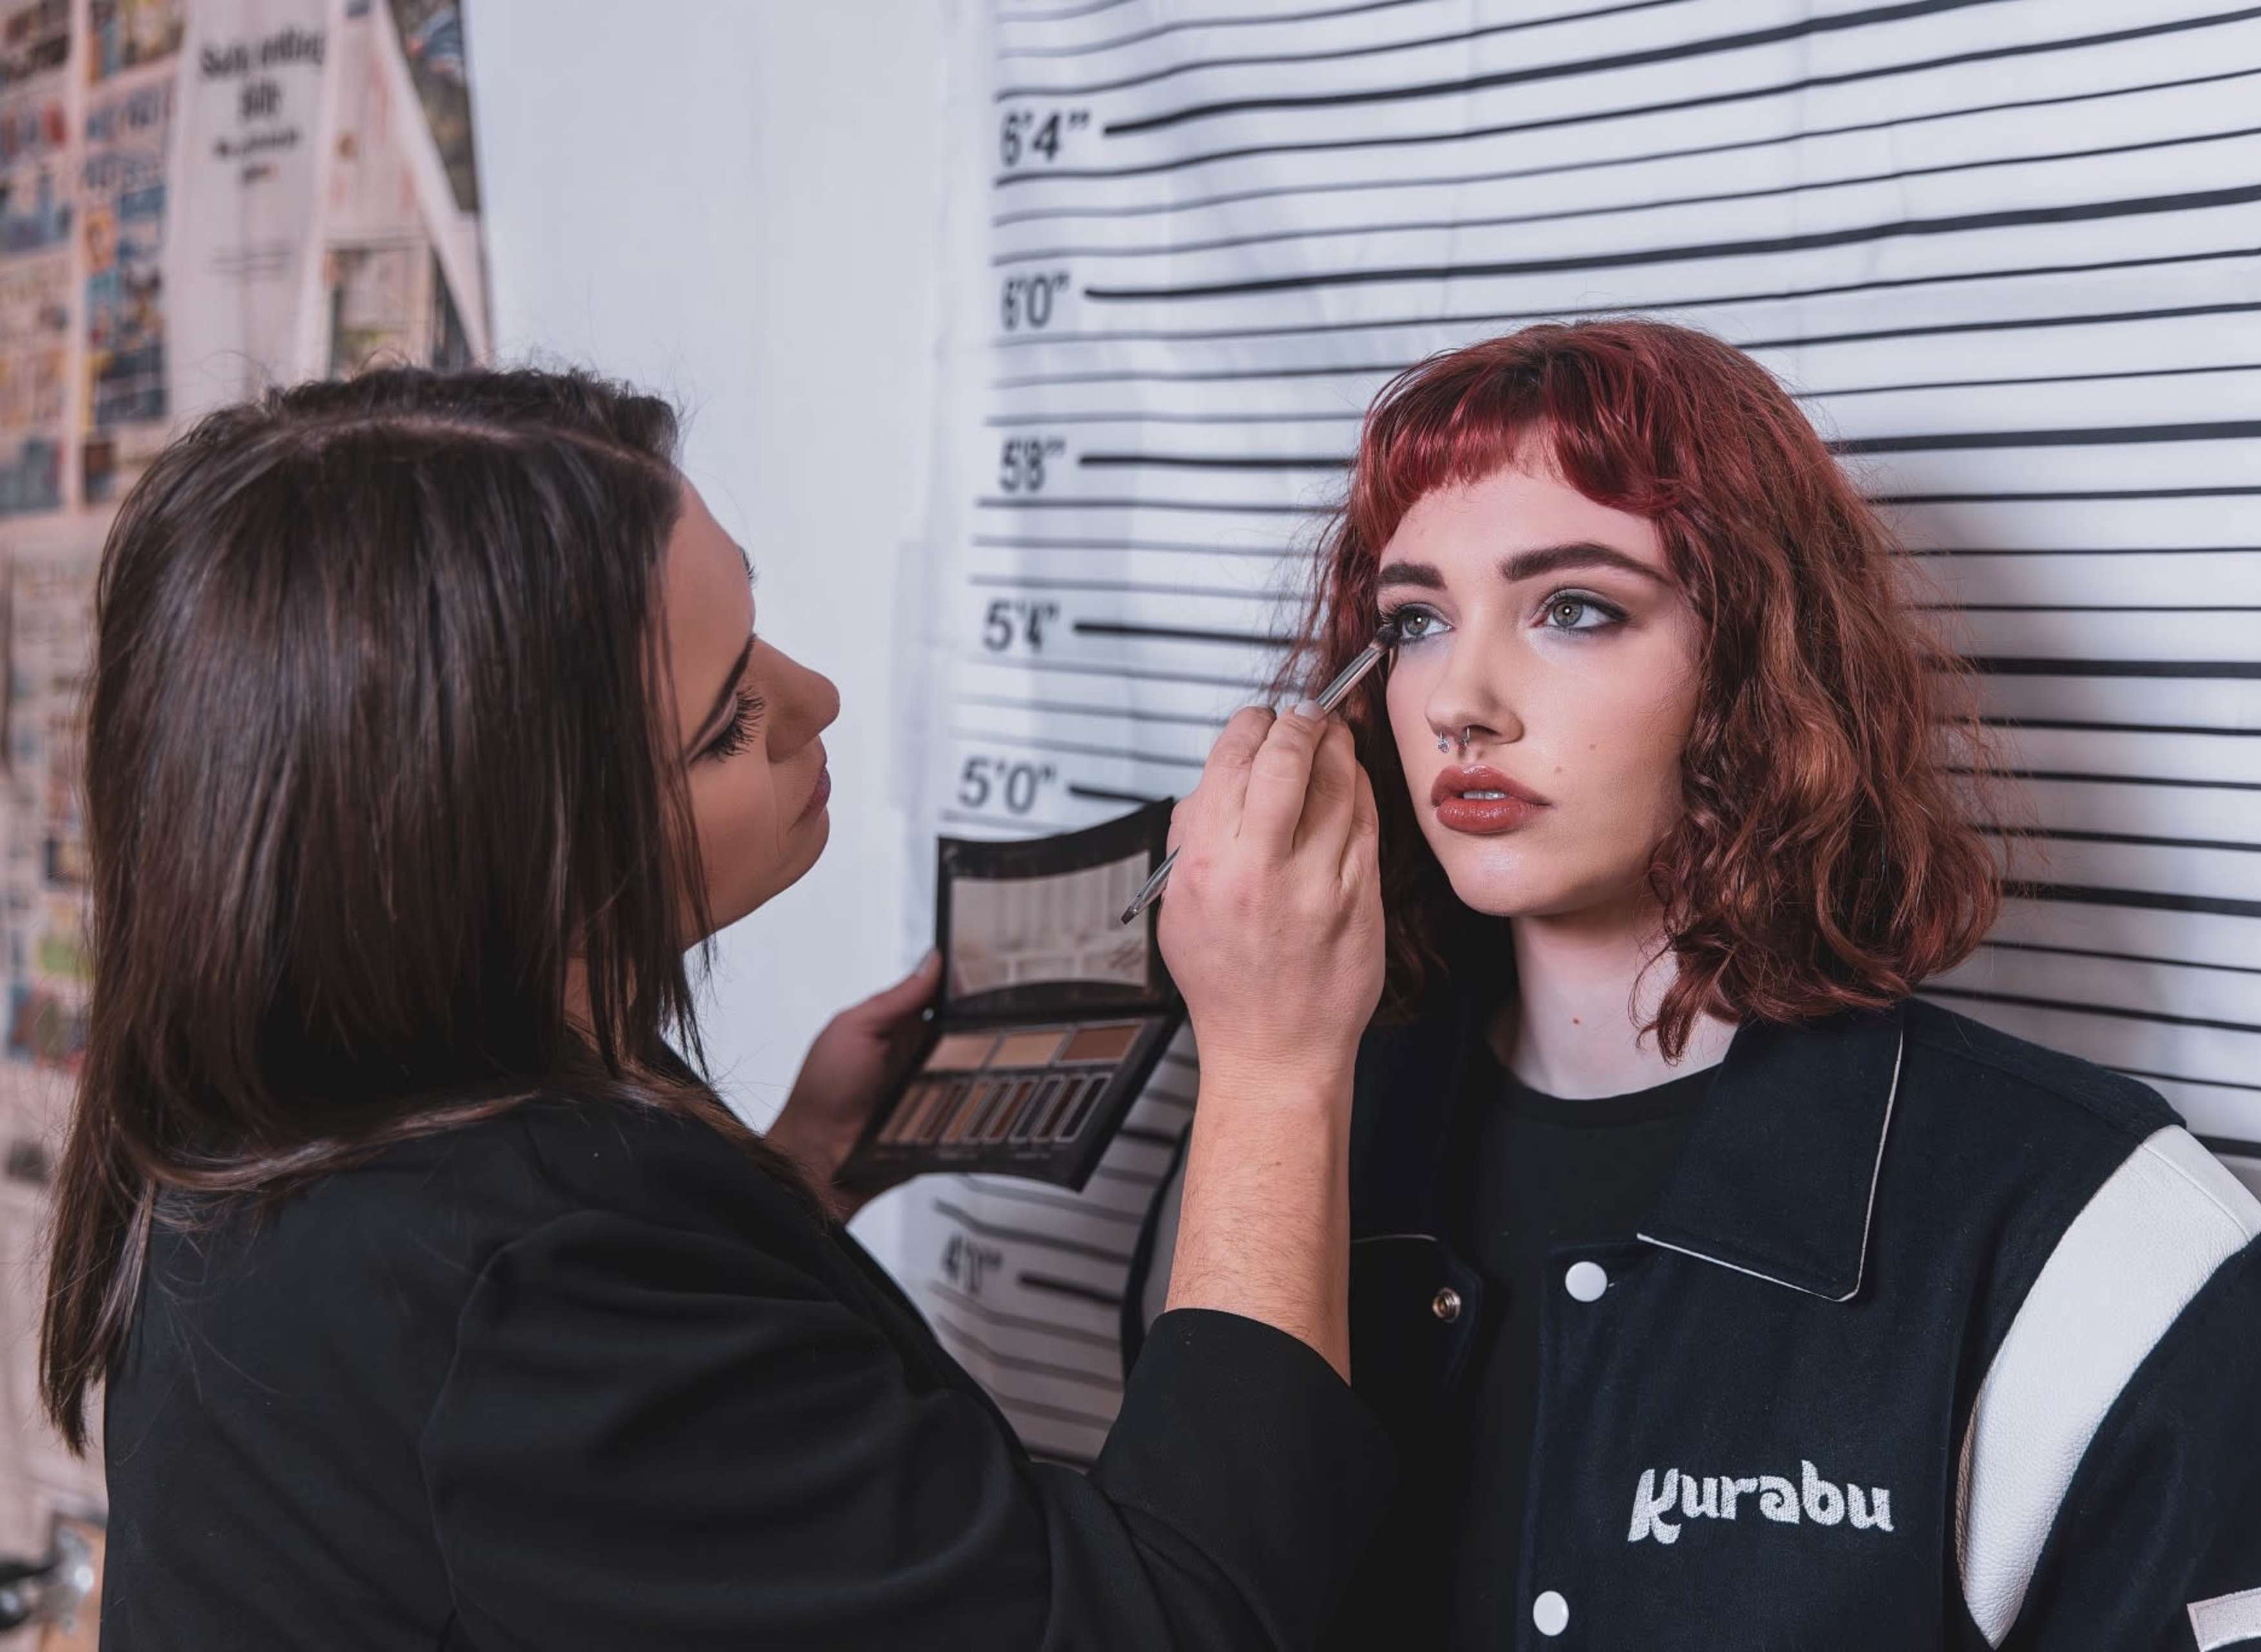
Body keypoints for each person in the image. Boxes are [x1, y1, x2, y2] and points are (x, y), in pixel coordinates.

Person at [43, 366, 1395, 1649]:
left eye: (755, 631)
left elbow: (588, 1540)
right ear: (506, 858)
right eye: (726, 723)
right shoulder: (522, 1299)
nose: (817, 698)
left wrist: (795, 1175)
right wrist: (1278, 1061)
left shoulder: (271, 1134)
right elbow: (1160, 1625)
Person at [1128, 321, 2261, 1649]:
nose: (1463, 699)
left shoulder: (2100, 1231)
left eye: (1574, 607)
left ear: (1754, 652)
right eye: (1413, 621)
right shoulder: (1261, 1166)